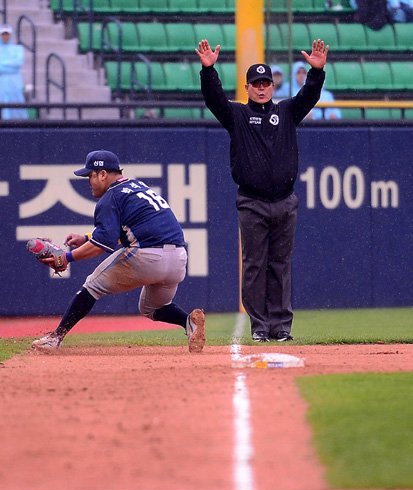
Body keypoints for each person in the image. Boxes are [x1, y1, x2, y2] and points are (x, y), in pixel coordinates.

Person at [196, 38, 329, 342]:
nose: (261, 87)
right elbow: (214, 99)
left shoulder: (286, 112)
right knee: (255, 265)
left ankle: (281, 326)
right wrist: (208, 71)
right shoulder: (238, 116)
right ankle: (259, 324)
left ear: (272, 86)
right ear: (247, 88)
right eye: (255, 83)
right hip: (252, 202)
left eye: (265, 82)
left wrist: (317, 73)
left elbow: (309, 96)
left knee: (280, 265)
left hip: (285, 201)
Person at [32, 150, 206, 353]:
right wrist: (87, 238)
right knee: (151, 308)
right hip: (178, 259)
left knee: (92, 286)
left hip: (147, 256)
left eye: (90, 175)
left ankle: (55, 338)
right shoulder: (138, 187)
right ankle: (188, 322)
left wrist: (67, 257)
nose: (89, 181)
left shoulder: (110, 197)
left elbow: (102, 244)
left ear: (103, 174)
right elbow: (124, 230)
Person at [0, 24, 28, 120]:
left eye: (7, 34)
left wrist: (3, 64)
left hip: (15, 82)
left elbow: (18, 63)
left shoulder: (18, 49)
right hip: (2, 82)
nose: (5, 36)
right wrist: (11, 65)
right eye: (3, 34)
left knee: (17, 101)